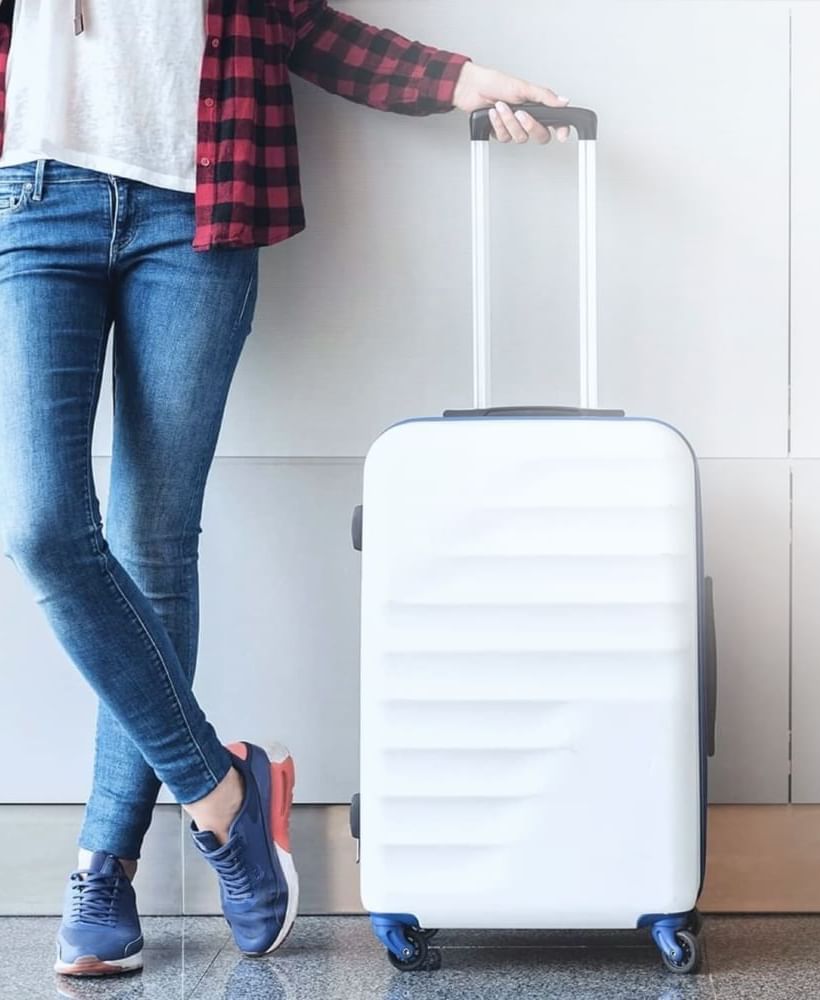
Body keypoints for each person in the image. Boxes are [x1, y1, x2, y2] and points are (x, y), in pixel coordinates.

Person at [0, 0, 566, 979]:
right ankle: (221, 791)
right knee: (46, 528)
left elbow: (301, 24)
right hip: (33, 197)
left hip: (196, 211)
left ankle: (105, 869)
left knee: (154, 543)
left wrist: (457, 80)